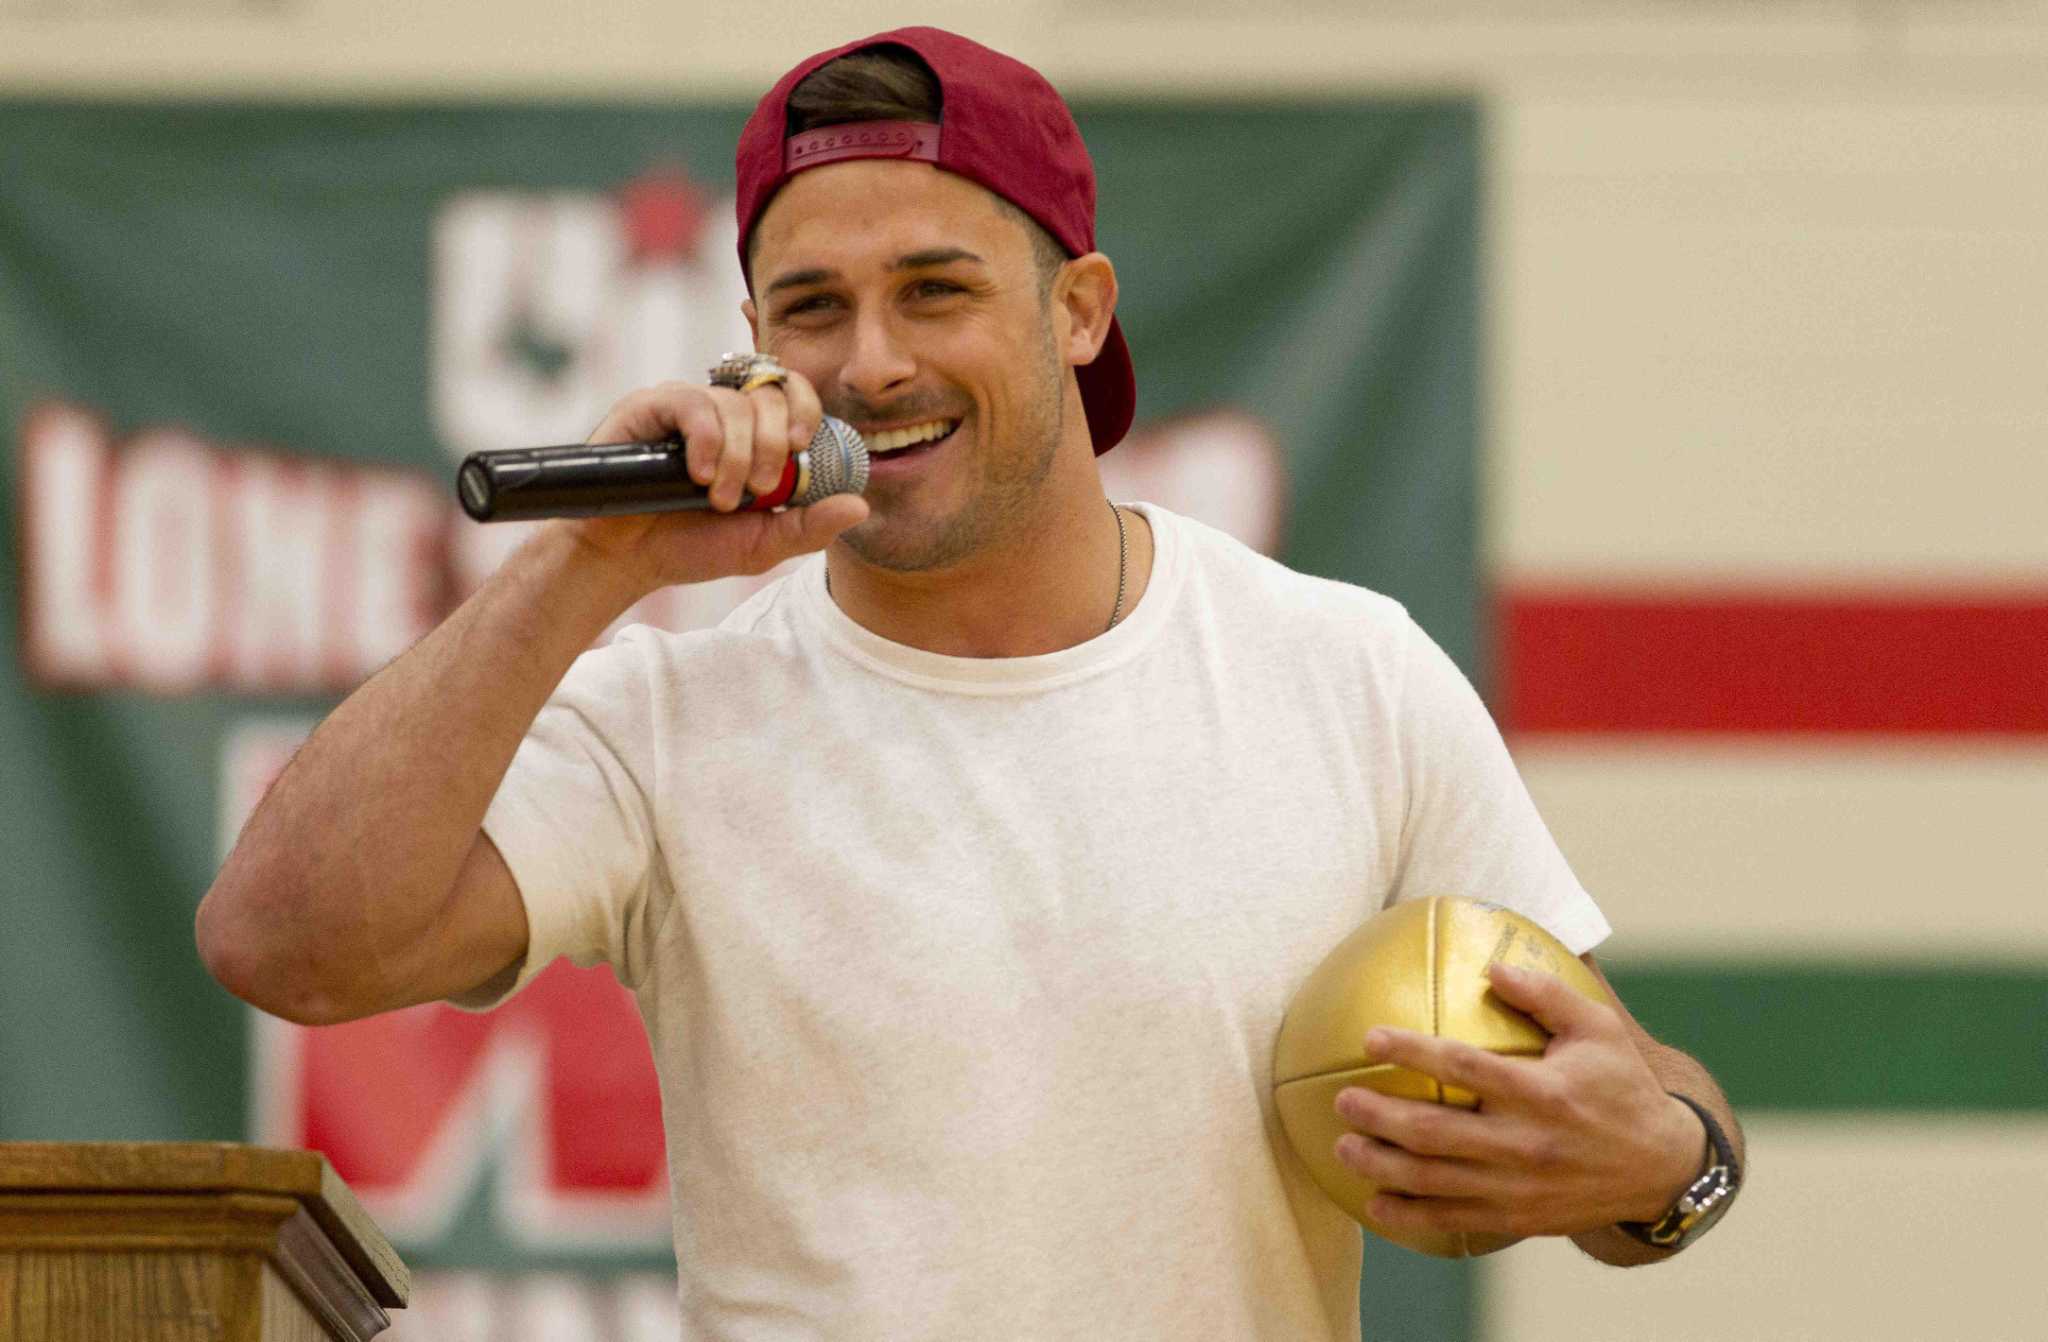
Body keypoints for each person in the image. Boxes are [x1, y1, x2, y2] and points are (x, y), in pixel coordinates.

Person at [198, 27, 1743, 1339]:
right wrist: (589, 563)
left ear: (1079, 310)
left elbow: (1646, 1100)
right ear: (753, 347)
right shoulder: (675, 712)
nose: (871, 361)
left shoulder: (1345, 670)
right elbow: (284, 942)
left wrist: (1661, 1159)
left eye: (936, 289)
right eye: (812, 308)